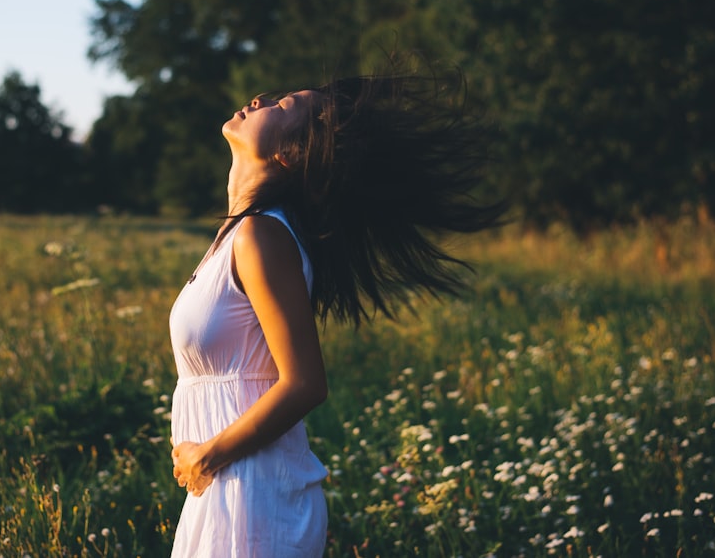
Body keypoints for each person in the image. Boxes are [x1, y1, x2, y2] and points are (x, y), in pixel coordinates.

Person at [168, 61, 504, 557]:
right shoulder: (238, 235)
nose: (261, 97)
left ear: (287, 153)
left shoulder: (262, 236)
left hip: (251, 494)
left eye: (282, 106)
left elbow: (304, 383)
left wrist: (208, 455)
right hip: (224, 488)